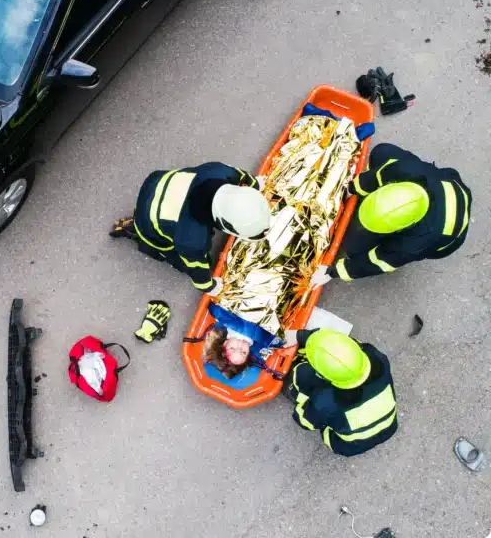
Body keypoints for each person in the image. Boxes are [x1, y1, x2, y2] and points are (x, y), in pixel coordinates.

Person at [311, 143, 472, 287]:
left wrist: (333, 272)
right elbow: (379, 175)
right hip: (445, 183)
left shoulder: (414, 243)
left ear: (402, 228)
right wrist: (350, 189)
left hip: (445, 240)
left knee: (353, 246)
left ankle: (375, 238)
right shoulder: (405, 170)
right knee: (382, 152)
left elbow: (379, 261)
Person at [110, 162, 271, 295]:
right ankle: (133, 229)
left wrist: (255, 184)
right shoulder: (192, 240)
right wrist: (210, 287)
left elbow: (241, 175)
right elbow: (197, 269)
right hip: (148, 220)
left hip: (158, 182)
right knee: (177, 256)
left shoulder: (219, 171)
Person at [283, 328, 397, 457]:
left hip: (350, 445)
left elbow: (304, 422)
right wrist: (302, 336)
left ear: (323, 376)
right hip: (390, 427)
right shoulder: (377, 357)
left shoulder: (326, 402)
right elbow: (351, 345)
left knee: (303, 383)